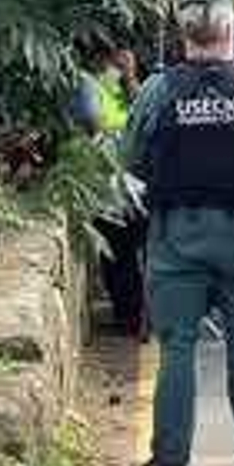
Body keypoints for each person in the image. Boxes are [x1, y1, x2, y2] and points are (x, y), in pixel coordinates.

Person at [122, 0, 234, 466]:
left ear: (183, 35)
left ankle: (171, 460)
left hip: (177, 236)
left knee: (177, 349)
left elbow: (131, 156)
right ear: (232, 32)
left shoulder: (158, 90)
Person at [72, 36, 147, 338]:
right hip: (107, 185)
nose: (125, 65)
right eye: (120, 61)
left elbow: (145, 116)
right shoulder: (89, 84)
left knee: (131, 253)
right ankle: (128, 315)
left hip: (136, 185)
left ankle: (137, 313)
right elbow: (92, 121)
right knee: (118, 254)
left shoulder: (129, 89)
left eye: (129, 63)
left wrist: (129, 81)